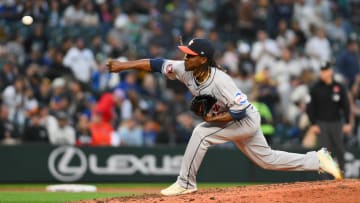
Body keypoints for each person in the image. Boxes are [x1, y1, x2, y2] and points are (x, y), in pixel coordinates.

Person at [106, 38, 342, 196]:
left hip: (245, 120)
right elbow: (156, 64)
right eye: (185, 55)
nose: (185, 58)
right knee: (267, 160)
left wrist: (212, 120)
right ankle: (318, 160)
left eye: (190, 55)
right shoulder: (183, 69)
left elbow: (239, 111)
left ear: (203, 59)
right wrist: (123, 65)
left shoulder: (220, 81)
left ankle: (186, 183)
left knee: (201, 133)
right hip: (234, 119)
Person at [306, 61, 352, 172]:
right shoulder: (315, 88)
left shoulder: (339, 87)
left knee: (340, 149)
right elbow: (310, 107)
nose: (324, 73)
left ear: (330, 71)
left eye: (325, 71)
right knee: (325, 152)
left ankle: (342, 175)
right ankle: (326, 180)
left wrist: (347, 122)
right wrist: (313, 124)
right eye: (322, 71)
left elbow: (345, 105)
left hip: (336, 123)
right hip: (321, 124)